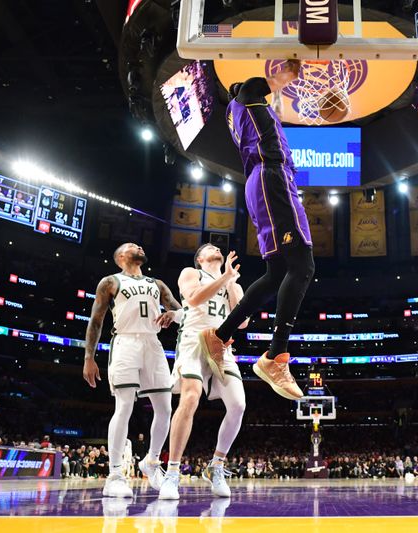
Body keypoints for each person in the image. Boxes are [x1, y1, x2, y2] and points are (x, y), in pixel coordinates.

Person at [197, 59, 314, 401]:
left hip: (264, 182)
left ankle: (220, 335)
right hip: (270, 178)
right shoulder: (245, 99)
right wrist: (286, 74)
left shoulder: (246, 115)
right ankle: (276, 356)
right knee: (303, 266)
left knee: (278, 271)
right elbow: (253, 86)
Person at [82, 242, 183, 498]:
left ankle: (150, 462)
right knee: (124, 406)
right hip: (125, 341)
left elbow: (182, 311)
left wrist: (173, 315)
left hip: (153, 343)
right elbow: (96, 320)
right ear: (120, 257)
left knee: (165, 408)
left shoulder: (157, 283)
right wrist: (88, 357)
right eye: (132, 246)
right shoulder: (110, 281)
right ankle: (114, 476)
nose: (139, 246)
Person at [160, 244, 248, 500]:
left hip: (221, 347)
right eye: (210, 248)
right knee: (189, 398)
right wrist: (224, 277)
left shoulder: (233, 280)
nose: (216, 248)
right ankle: (172, 473)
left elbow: (242, 322)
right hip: (194, 343)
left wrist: (231, 282)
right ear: (200, 258)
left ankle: (217, 465)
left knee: (238, 405)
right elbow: (194, 299)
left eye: (218, 247)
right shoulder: (191, 273)